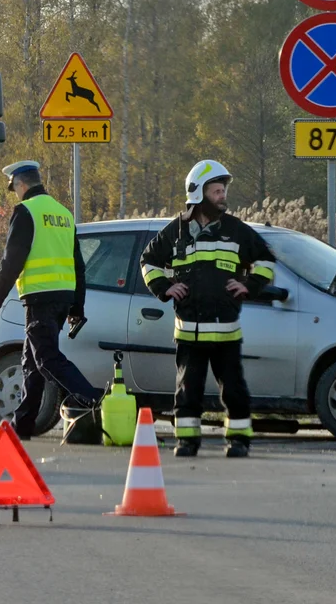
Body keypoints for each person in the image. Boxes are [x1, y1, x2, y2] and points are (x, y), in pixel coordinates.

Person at [139, 160, 276, 458]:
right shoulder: (176, 230)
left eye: (223, 190)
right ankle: (187, 442)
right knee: (187, 390)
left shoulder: (237, 230)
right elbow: (148, 262)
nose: (222, 196)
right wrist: (165, 289)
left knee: (235, 390)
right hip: (188, 331)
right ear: (199, 194)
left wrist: (249, 286)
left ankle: (238, 441)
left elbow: (266, 261)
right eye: (216, 191)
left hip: (226, 331)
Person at [0, 160, 102, 440]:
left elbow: (11, 260)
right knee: (32, 362)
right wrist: (77, 306)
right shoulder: (63, 213)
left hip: (41, 297)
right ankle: (22, 424)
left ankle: (94, 398)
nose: (14, 192)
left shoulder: (26, 211)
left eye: (14, 187)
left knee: (46, 358)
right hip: (62, 297)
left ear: (21, 184)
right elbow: (78, 265)